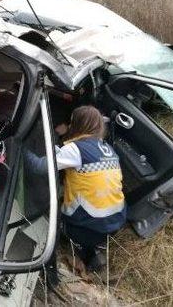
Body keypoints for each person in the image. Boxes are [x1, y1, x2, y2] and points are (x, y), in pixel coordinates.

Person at [56, 105, 126, 272]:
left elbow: (39, 166)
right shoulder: (109, 150)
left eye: (72, 122)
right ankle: (93, 250)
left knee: (51, 208)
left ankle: (81, 247)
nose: (70, 125)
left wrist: (20, 147)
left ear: (78, 124)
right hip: (115, 221)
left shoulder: (76, 149)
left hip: (86, 226)